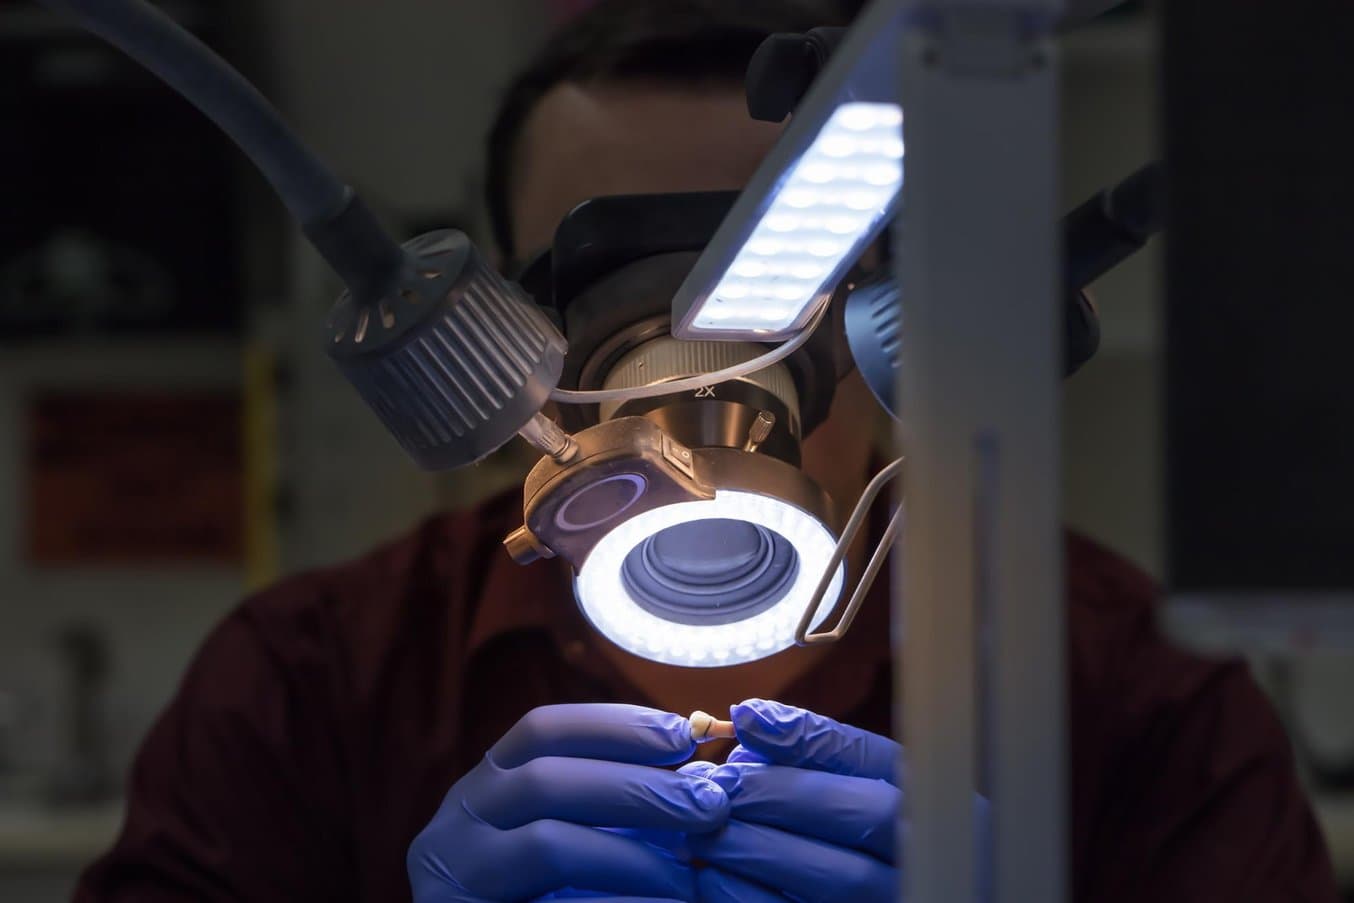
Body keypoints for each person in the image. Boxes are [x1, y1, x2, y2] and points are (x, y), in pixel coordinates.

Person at [77, 2, 1338, 901]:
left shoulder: (1135, 693)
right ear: (498, 331)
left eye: (769, 296)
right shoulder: (314, 681)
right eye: (615, 308)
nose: (691, 377)